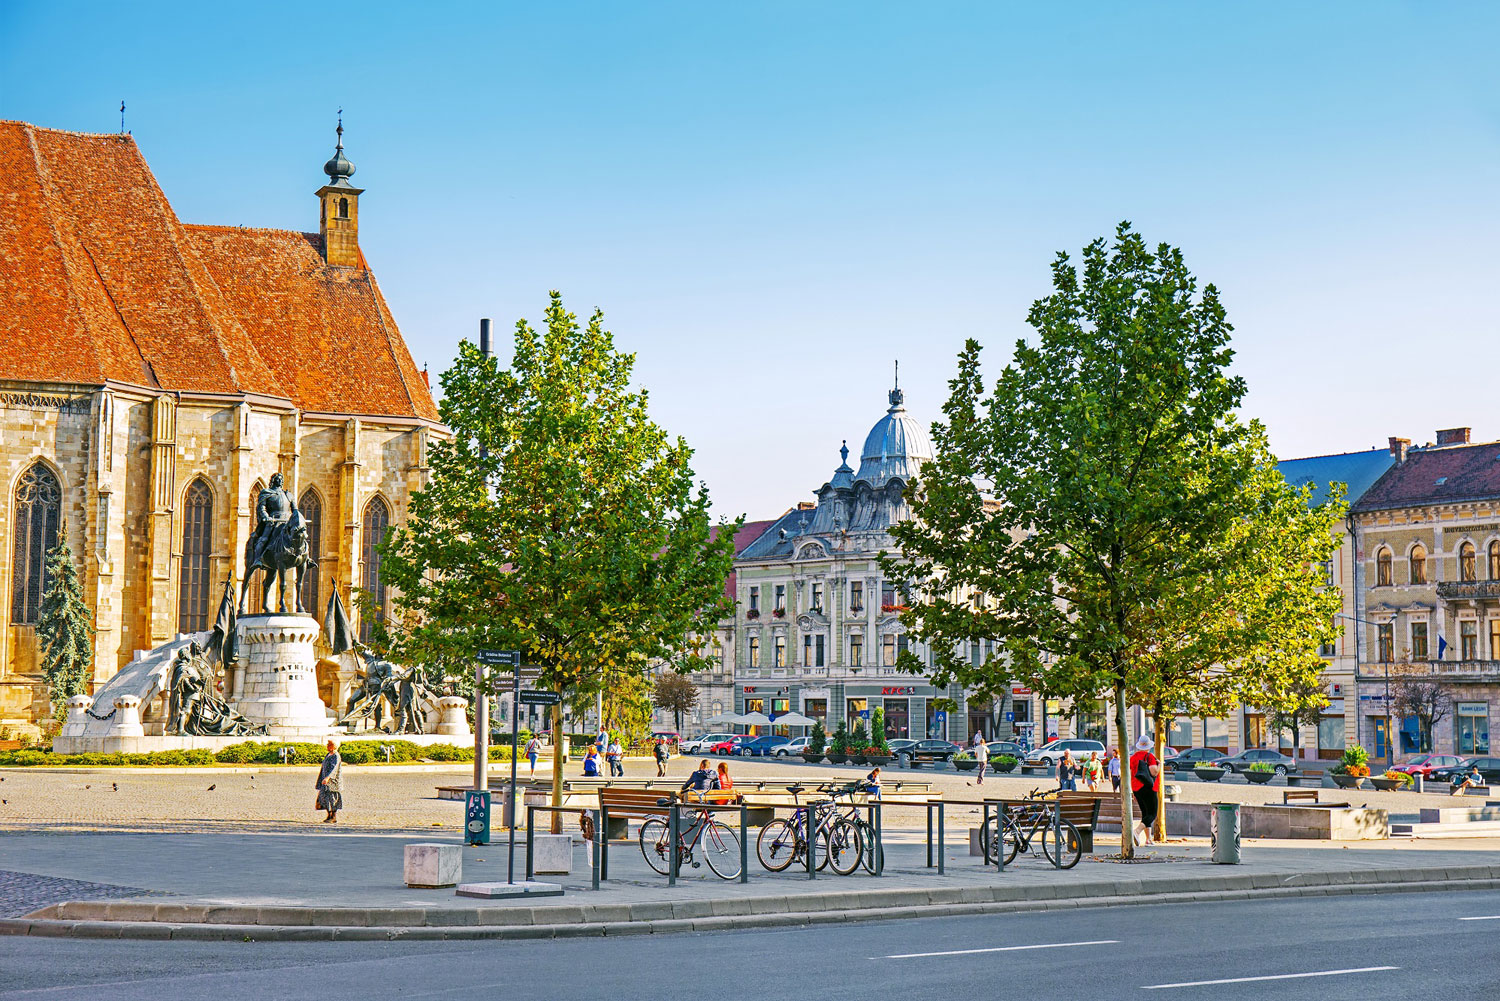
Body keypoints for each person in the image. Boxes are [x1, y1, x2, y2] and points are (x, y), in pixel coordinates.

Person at [1129, 736, 1161, 846]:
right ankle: (1137, 831)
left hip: (1136, 788)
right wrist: (1159, 765)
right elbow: (1154, 772)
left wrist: (1133, 791)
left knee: (1145, 814)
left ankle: (1148, 839)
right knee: (1152, 813)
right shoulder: (1150, 756)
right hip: (1149, 787)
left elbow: (1131, 774)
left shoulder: (1133, 758)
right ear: (1149, 746)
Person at [315, 740, 342, 824]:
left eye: (329, 744)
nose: (327, 746)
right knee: (324, 797)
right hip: (325, 780)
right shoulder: (328, 755)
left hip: (332, 781)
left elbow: (334, 769)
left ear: (333, 746)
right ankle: (328, 814)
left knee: (332, 798)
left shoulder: (336, 756)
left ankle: (333, 816)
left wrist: (328, 777)